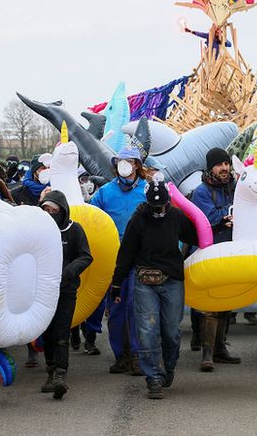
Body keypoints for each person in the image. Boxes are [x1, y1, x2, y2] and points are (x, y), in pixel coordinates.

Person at [109, 177, 199, 399]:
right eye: (154, 207)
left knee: (171, 332)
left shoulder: (176, 217)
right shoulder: (138, 219)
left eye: (162, 206)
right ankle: (154, 378)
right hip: (145, 281)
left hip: (172, 281)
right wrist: (117, 283)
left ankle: (168, 367)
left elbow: (197, 236)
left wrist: (218, 228)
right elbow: (126, 253)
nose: (158, 211)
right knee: (147, 331)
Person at [90, 146, 147, 375]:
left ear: (137, 165)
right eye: (120, 161)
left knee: (136, 307)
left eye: (129, 161)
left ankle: (136, 355)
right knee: (116, 309)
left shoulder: (147, 190)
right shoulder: (103, 193)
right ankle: (120, 355)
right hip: (113, 261)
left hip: (140, 258)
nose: (124, 165)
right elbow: (91, 220)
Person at [189, 147, 241, 371]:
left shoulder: (235, 187)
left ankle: (220, 348)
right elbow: (207, 218)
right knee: (211, 302)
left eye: (227, 164)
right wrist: (225, 215)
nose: (225, 168)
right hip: (209, 252)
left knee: (227, 300)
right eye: (220, 164)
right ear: (211, 167)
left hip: (230, 249)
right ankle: (207, 353)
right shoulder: (201, 191)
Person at [37, 191, 93, 399]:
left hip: (66, 290)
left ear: (63, 211)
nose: (50, 214)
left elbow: (86, 256)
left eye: (54, 210)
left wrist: (68, 271)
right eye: (46, 210)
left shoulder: (74, 230)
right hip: (42, 291)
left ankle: (61, 374)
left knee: (61, 333)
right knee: (47, 332)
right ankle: (50, 371)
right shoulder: (38, 231)